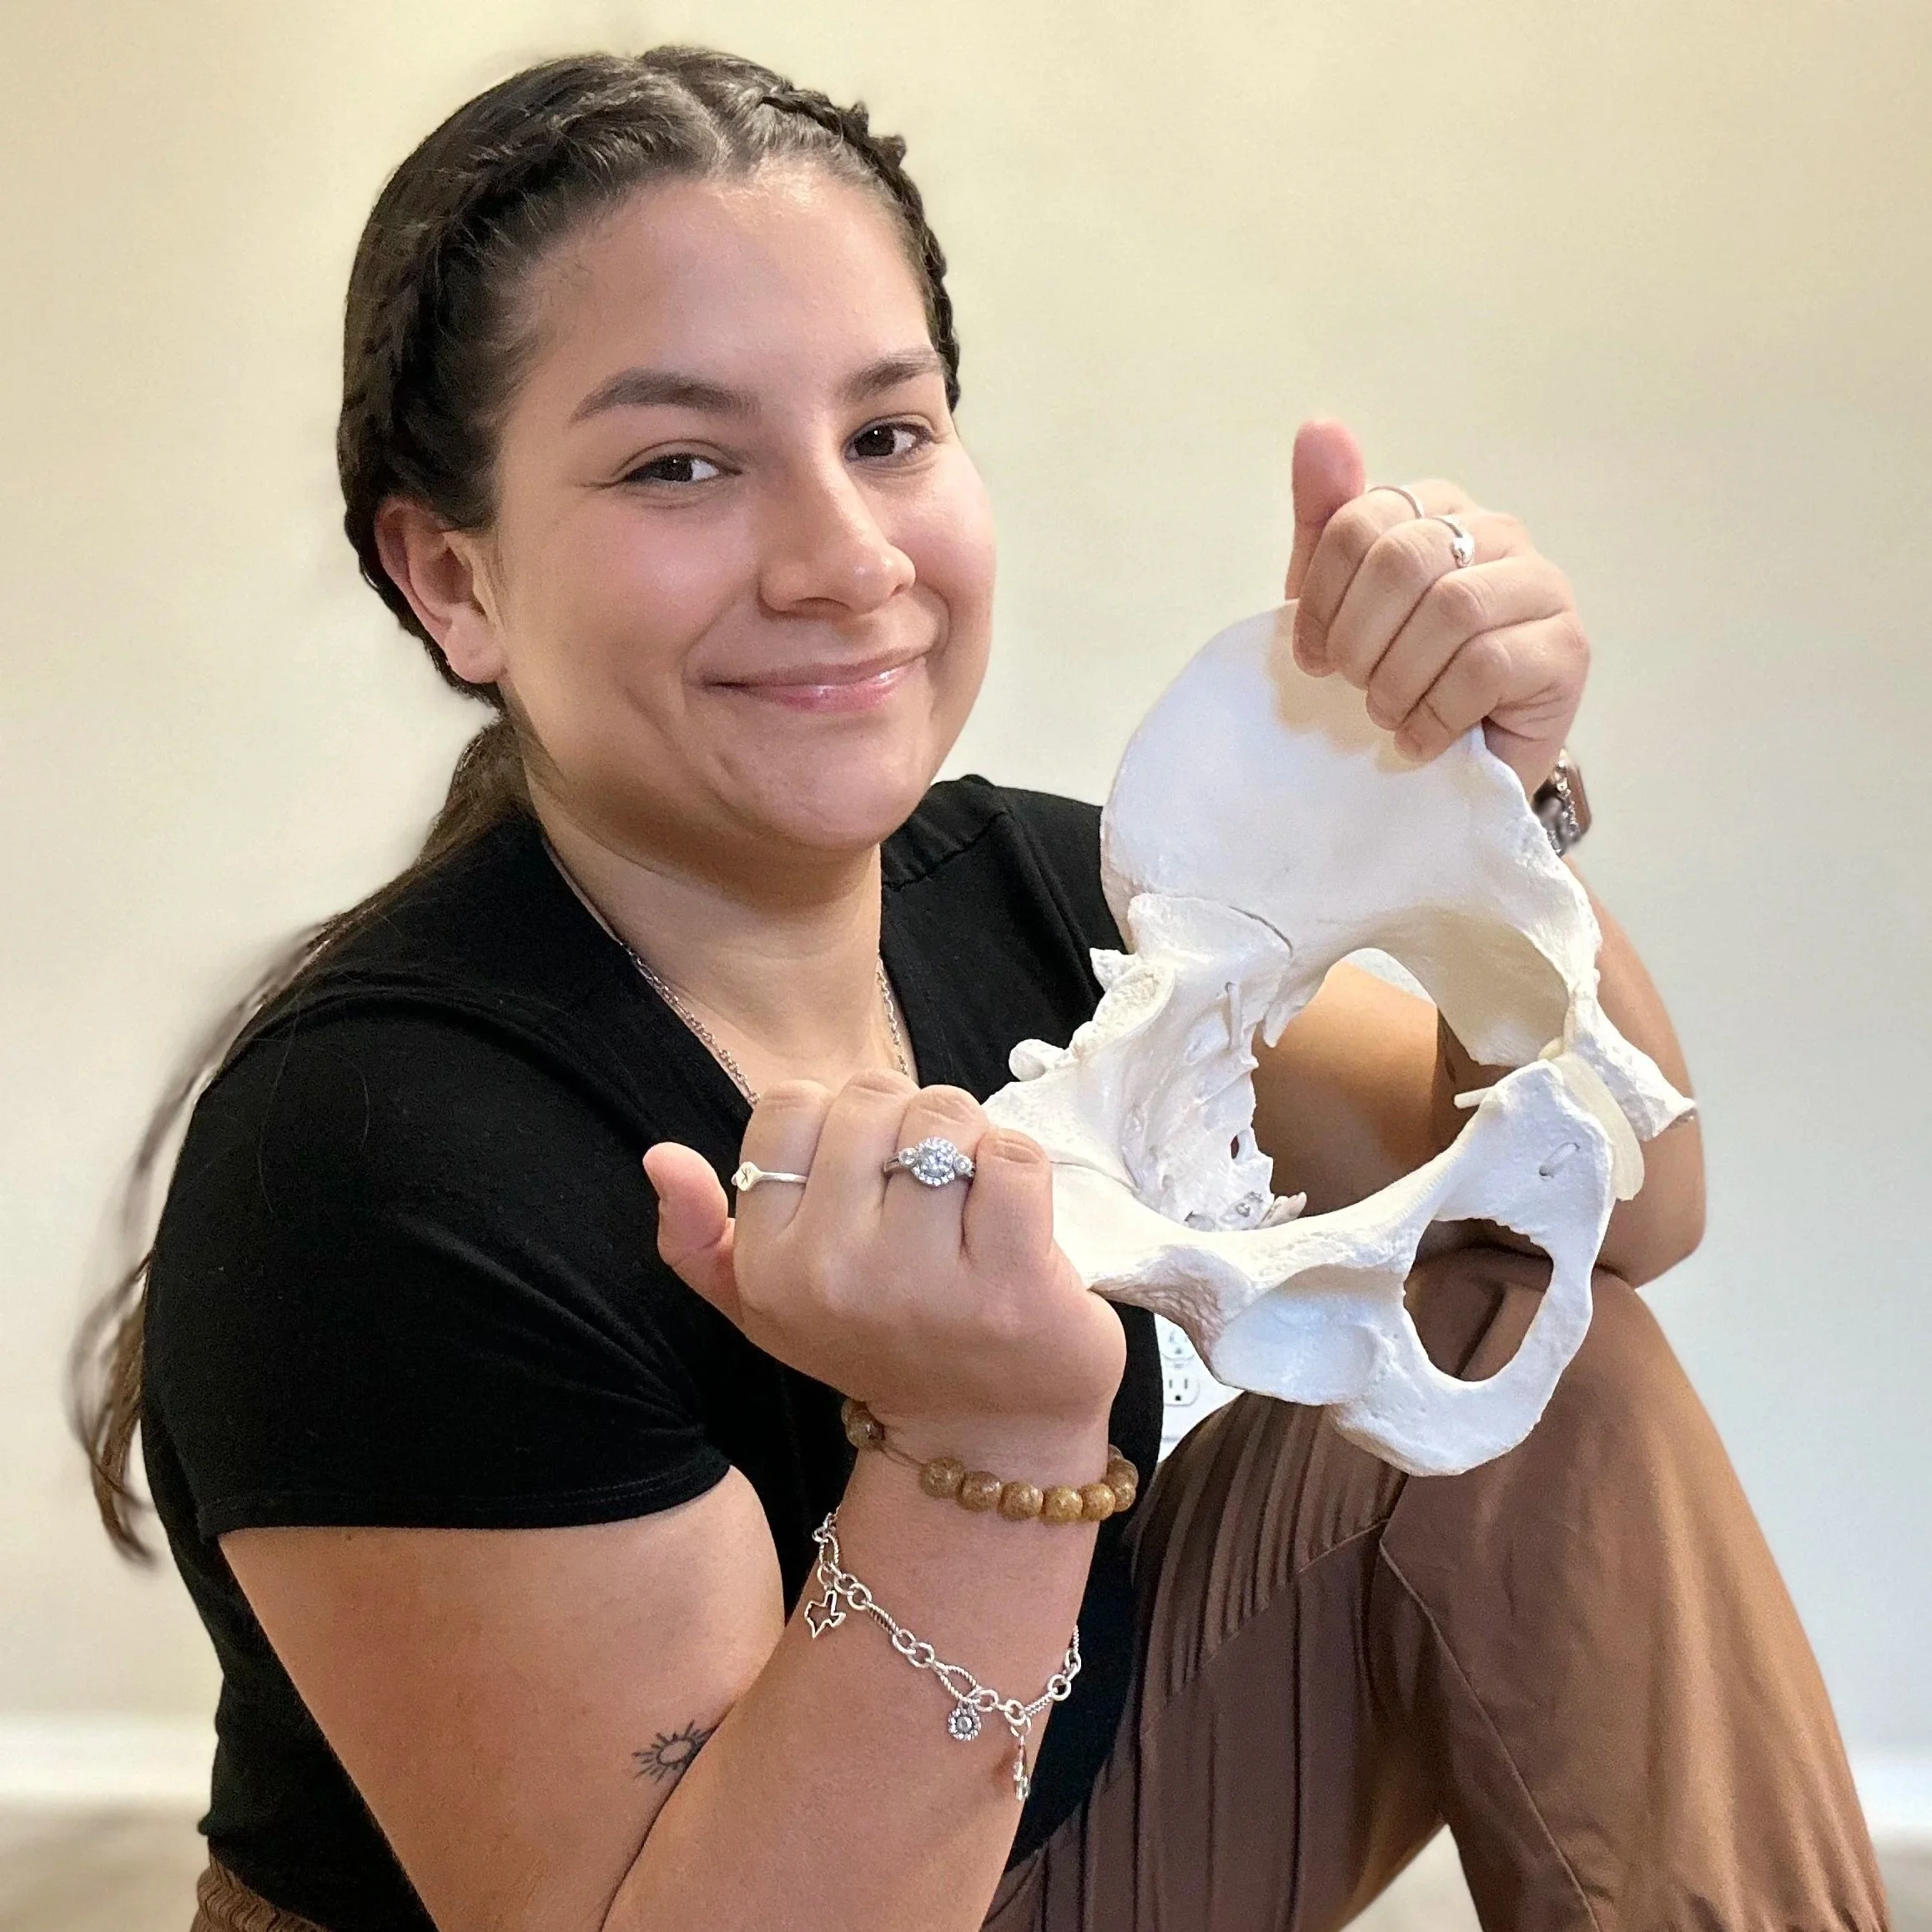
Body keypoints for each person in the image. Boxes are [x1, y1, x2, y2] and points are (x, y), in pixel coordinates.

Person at [73, 46, 1885, 1932]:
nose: (846, 561)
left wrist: (1468, 818)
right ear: (454, 581)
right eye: (682, 463)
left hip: (1011, 1842)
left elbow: (1625, 1206)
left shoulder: (1037, 895)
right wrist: (977, 1452)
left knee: (1543, 1367)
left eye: (888, 435)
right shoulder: (375, 1161)